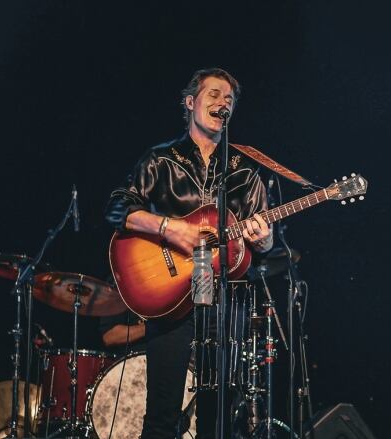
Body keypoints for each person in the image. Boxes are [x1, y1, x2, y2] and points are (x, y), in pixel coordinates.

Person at [105, 67, 272, 438]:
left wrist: (265, 241)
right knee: (162, 414)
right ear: (190, 102)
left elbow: (261, 250)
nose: (222, 102)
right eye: (213, 95)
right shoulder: (160, 159)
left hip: (226, 301)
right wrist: (169, 227)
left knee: (220, 418)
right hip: (170, 294)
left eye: (228, 99)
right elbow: (117, 210)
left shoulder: (246, 170)